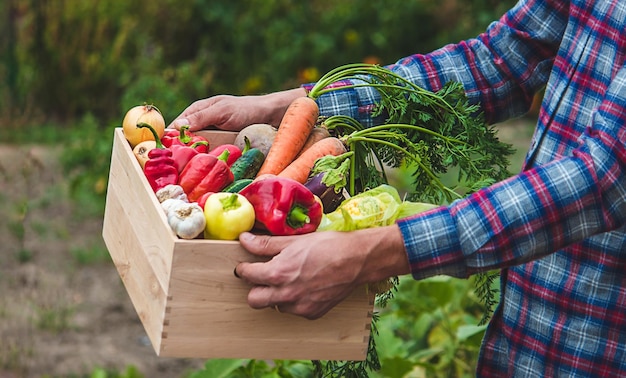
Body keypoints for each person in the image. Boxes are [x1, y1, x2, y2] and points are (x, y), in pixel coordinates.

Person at [170, 0, 626, 375]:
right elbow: (499, 61)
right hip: (527, 328)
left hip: (600, 343)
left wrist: (375, 251)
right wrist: (296, 105)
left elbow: (604, 177)